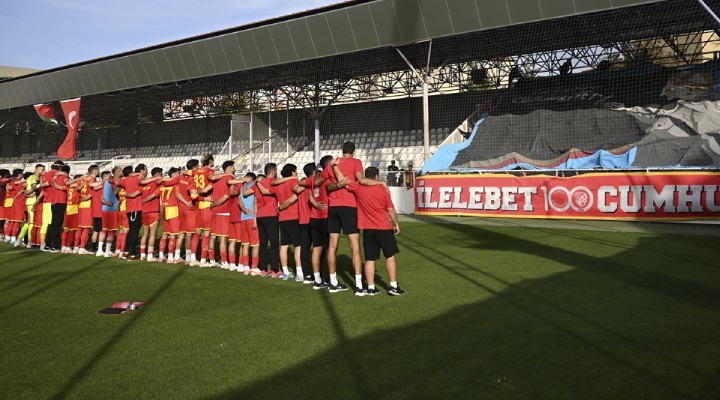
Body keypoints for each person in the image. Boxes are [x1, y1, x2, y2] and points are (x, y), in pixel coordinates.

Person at [319, 141, 385, 295]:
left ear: (342, 151)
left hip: (333, 207)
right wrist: (379, 183)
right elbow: (361, 180)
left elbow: (327, 186)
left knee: (332, 246)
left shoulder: (333, 163)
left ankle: (333, 282)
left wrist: (339, 184)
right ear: (354, 152)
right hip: (349, 207)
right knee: (354, 246)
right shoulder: (356, 162)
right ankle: (358, 285)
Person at [345, 166, 404, 296]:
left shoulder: (359, 187)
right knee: (390, 256)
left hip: (368, 229)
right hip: (383, 227)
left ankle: (371, 287)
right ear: (377, 176)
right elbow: (390, 209)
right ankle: (393, 286)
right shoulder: (382, 189)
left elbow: (345, 183)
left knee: (370, 259)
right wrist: (396, 224)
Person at [260, 164, 303, 281]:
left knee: (284, 245)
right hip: (293, 216)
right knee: (298, 246)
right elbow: (297, 191)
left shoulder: (278, 185)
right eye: (296, 171)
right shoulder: (293, 182)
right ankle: (299, 273)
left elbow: (266, 190)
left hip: (282, 218)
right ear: (293, 172)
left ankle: (285, 272)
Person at [248, 163, 281, 277]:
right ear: (273, 171)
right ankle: (275, 270)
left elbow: (246, 192)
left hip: (260, 216)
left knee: (263, 243)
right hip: (271, 215)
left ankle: (263, 269)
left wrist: (255, 183)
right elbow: (268, 191)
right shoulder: (273, 181)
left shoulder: (259, 183)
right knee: (274, 244)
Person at [206, 160, 236, 268]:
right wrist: (215, 204)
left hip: (214, 213)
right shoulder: (229, 178)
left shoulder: (216, 180)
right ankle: (224, 261)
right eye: (233, 167)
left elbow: (205, 189)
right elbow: (225, 196)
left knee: (213, 237)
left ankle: (212, 260)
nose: (234, 169)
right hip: (224, 211)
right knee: (223, 238)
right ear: (229, 168)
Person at [120, 164, 146, 260]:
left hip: (129, 208)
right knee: (134, 231)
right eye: (145, 169)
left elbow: (119, 181)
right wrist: (138, 175)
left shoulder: (125, 180)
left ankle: (126, 251)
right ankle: (132, 253)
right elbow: (137, 192)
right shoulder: (138, 179)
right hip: (136, 208)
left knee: (131, 230)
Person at [194, 154, 215, 265]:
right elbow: (212, 179)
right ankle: (203, 259)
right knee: (207, 233)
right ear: (210, 161)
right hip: (207, 204)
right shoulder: (209, 171)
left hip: (198, 204)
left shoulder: (196, 171)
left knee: (197, 232)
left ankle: (193, 258)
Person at [158, 167, 182, 263]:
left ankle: (161, 256)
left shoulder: (162, 185)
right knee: (173, 235)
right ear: (174, 174)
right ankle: (170, 257)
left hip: (164, 209)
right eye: (178, 173)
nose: (179, 175)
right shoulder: (175, 185)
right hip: (173, 210)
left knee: (164, 235)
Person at [97, 166, 122, 257]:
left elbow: (101, 197)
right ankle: (107, 252)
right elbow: (115, 192)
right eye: (120, 170)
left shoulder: (105, 182)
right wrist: (120, 186)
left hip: (105, 208)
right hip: (112, 210)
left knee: (103, 230)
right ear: (117, 172)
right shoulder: (114, 181)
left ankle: (100, 250)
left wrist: (106, 203)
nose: (122, 171)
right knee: (111, 231)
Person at [239, 172, 261, 275]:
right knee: (255, 245)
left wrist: (243, 210)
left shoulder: (241, 188)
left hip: (243, 218)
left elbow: (239, 201)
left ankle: (245, 267)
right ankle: (254, 268)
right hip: (252, 218)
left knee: (245, 244)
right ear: (252, 179)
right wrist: (256, 220)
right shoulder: (254, 187)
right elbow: (255, 203)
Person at [178, 160, 199, 265]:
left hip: (181, 208)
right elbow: (193, 194)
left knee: (182, 233)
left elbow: (177, 192)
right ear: (194, 168)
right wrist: (190, 200)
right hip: (190, 209)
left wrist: (184, 202)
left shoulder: (180, 178)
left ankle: (176, 256)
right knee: (190, 234)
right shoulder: (192, 179)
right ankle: (188, 258)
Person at [139, 167, 163, 261]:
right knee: (153, 234)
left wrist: (144, 200)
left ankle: (142, 255)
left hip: (144, 211)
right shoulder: (156, 183)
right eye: (160, 174)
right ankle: (149, 256)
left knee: (145, 234)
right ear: (157, 174)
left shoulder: (144, 183)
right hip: (153, 211)